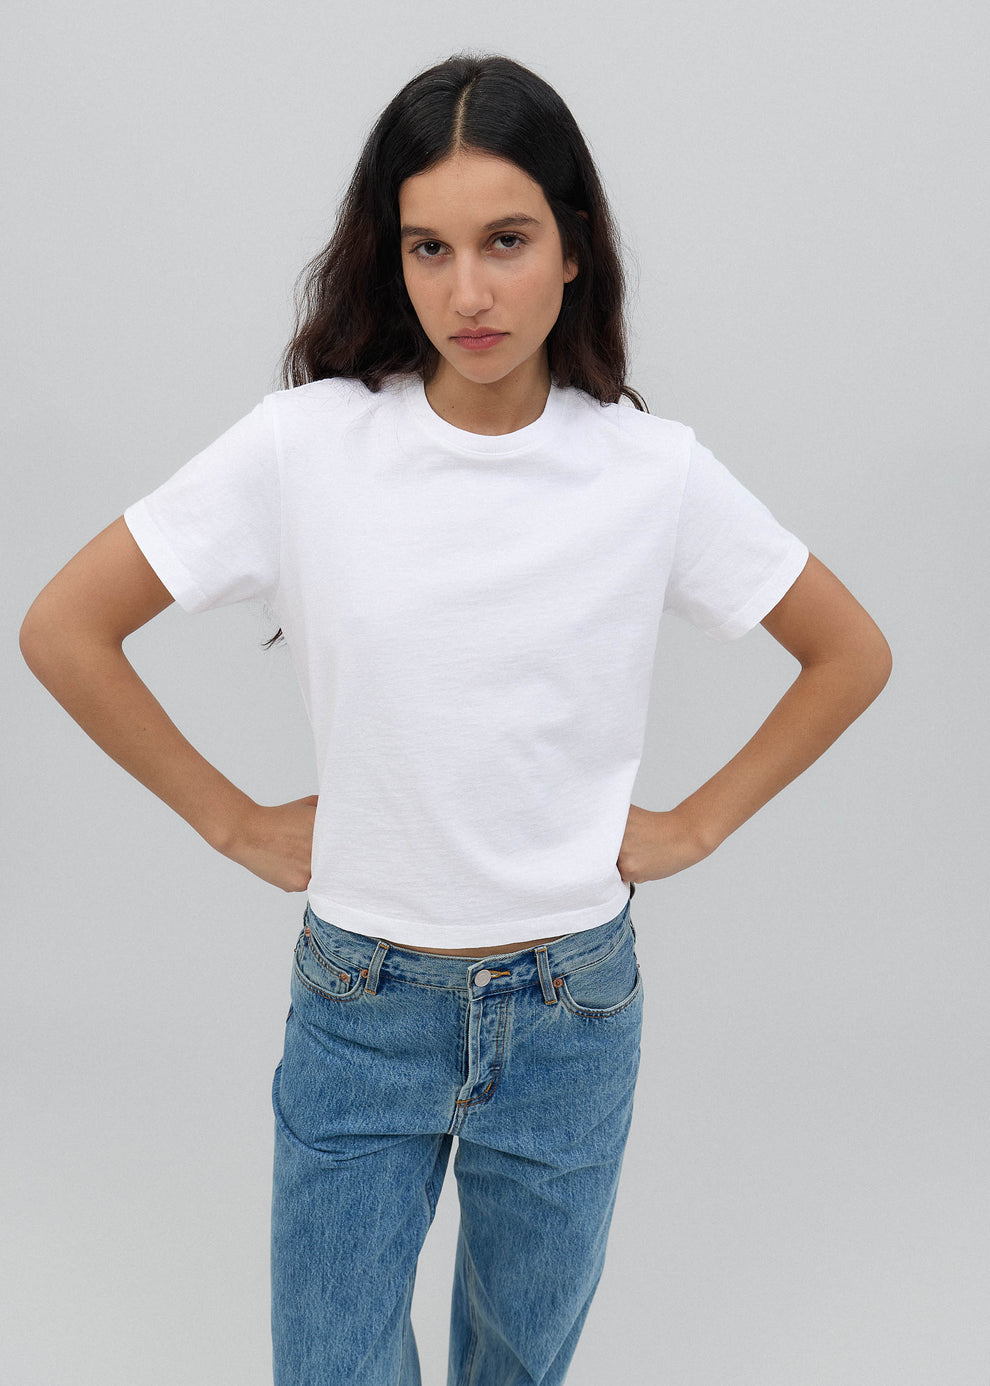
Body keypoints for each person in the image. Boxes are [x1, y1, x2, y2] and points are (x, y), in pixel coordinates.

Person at [19, 51, 891, 1386]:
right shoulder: (305, 447)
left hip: (571, 1006)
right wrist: (231, 821)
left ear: (574, 250)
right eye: (429, 247)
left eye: (506, 241)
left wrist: (699, 824)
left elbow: (848, 652)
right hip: (362, 1002)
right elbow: (64, 626)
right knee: (332, 1364)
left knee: (517, 1368)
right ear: (393, 255)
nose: (466, 291)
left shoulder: (648, 472)